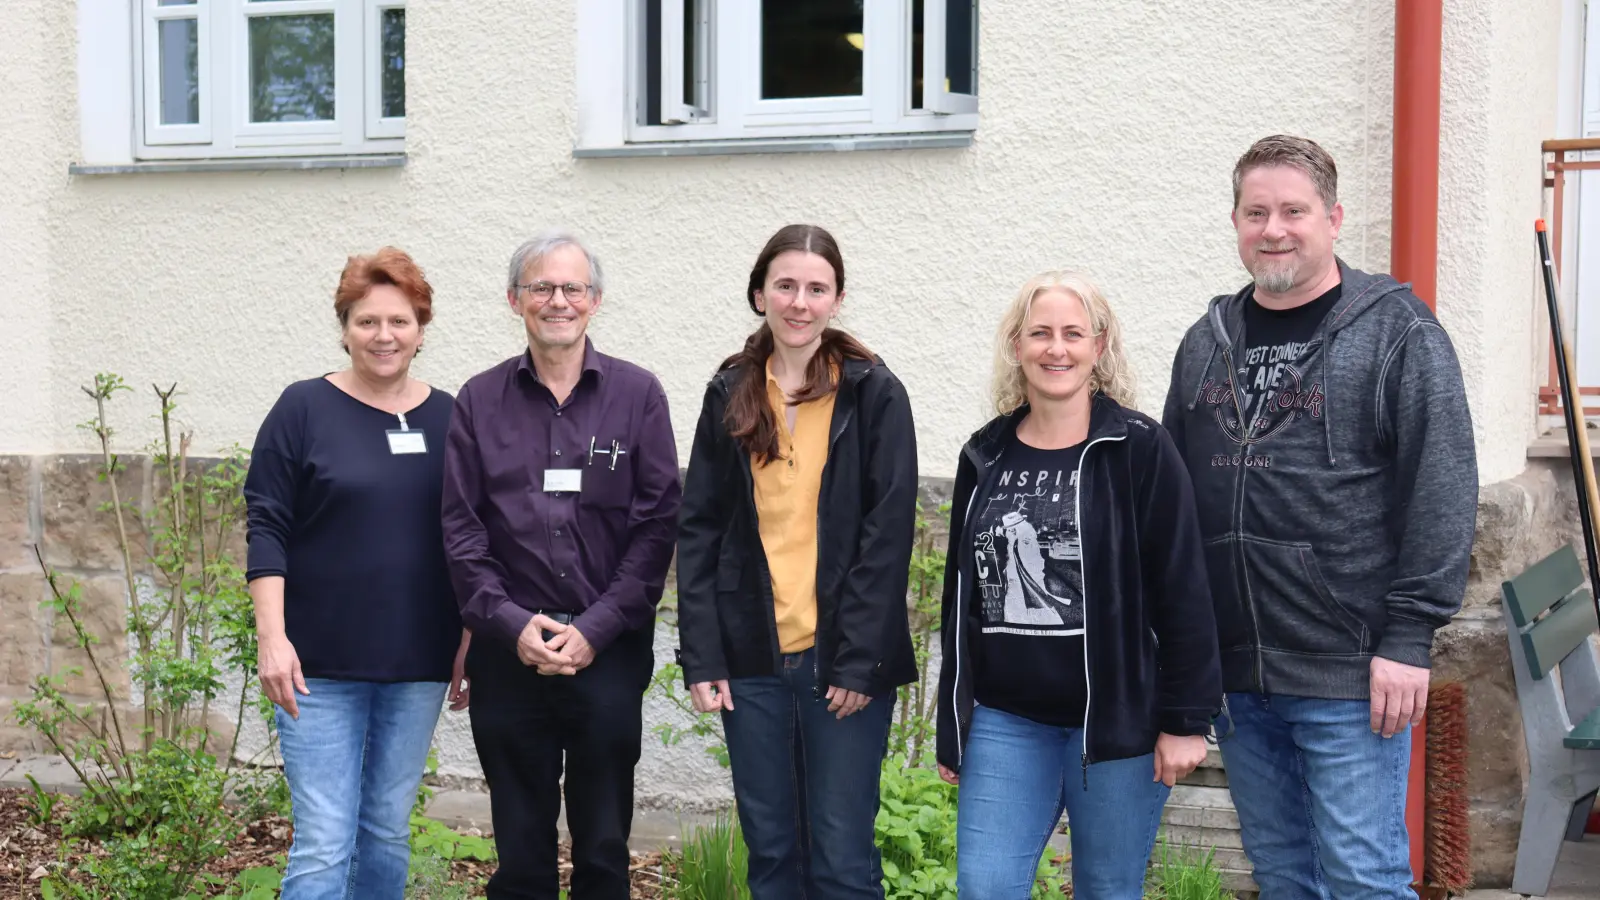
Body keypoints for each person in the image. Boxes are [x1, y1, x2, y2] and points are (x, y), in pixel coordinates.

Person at [1161, 134, 1478, 898]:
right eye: (1256, 211)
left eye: (1293, 211)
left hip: (1351, 669)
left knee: (1363, 879)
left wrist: (1409, 635)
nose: (1274, 228)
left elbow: (1443, 485)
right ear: (1235, 222)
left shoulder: (1398, 334)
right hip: (1239, 674)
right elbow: (1168, 500)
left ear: (1333, 218)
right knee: (1283, 876)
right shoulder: (1205, 344)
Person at [933, 271, 1223, 899]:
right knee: (984, 889)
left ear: (1099, 345)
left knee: (1107, 891)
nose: (1055, 349)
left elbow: (1184, 590)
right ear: (1018, 346)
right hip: (1008, 721)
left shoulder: (1138, 447)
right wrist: (952, 723)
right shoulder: (984, 455)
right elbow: (961, 602)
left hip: (1118, 725)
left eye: (1072, 333)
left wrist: (1186, 720)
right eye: (1040, 334)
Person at [675, 223, 919, 900]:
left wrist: (859, 659)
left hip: (839, 660)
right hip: (752, 659)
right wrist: (703, 655)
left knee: (841, 855)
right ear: (760, 294)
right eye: (785, 285)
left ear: (837, 299)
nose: (800, 302)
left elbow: (887, 534)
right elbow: (698, 529)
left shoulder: (873, 394)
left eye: (817, 288)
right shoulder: (730, 391)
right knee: (773, 852)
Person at [441, 230, 681, 900]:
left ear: (595, 300)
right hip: (507, 655)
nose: (558, 301)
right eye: (542, 287)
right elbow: (461, 533)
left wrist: (596, 629)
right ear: (515, 299)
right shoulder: (479, 401)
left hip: (607, 652)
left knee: (604, 848)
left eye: (572, 287)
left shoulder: (638, 396)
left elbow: (658, 525)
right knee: (520, 852)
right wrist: (512, 624)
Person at [244, 247, 470, 900]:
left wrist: (470, 634)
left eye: (399, 321)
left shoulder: (451, 417)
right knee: (323, 839)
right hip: (316, 668)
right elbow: (268, 526)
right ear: (344, 327)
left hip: (418, 664)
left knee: (386, 832)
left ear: (421, 329)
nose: (383, 336)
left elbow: (469, 536)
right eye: (367, 321)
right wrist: (272, 637)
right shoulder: (304, 408)